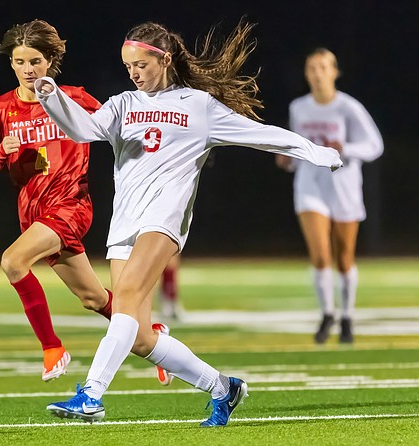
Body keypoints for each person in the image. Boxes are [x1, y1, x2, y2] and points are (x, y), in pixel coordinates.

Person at [35, 20, 342, 426]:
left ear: (164, 59)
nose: (134, 73)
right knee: (142, 337)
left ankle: (91, 394)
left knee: (124, 297)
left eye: (141, 65)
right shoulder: (124, 103)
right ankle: (223, 387)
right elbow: (83, 129)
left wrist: (313, 151)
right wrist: (51, 95)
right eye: (128, 66)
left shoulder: (198, 106)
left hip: (165, 220)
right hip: (126, 222)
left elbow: (260, 134)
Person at [0, 19, 114, 383]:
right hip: (33, 213)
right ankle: (153, 334)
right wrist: (2, 150)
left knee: (13, 261)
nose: (28, 70)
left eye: (35, 61)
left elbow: (119, 127)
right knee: (94, 299)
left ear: (50, 61)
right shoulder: (0, 109)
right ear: (11, 64)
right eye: (20, 62)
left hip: (71, 205)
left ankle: (52, 348)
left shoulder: (74, 98)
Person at [275, 48, 383, 344]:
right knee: (321, 256)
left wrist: (345, 148)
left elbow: (375, 146)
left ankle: (347, 316)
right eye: (312, 67)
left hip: (344, 188)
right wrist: (288, 160)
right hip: (310, 187)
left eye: (323, 67)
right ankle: (327, 314)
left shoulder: (349, 108)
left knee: (345, 259)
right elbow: (301, 151)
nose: (317, 73)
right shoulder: (299, 107)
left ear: (335, 72)